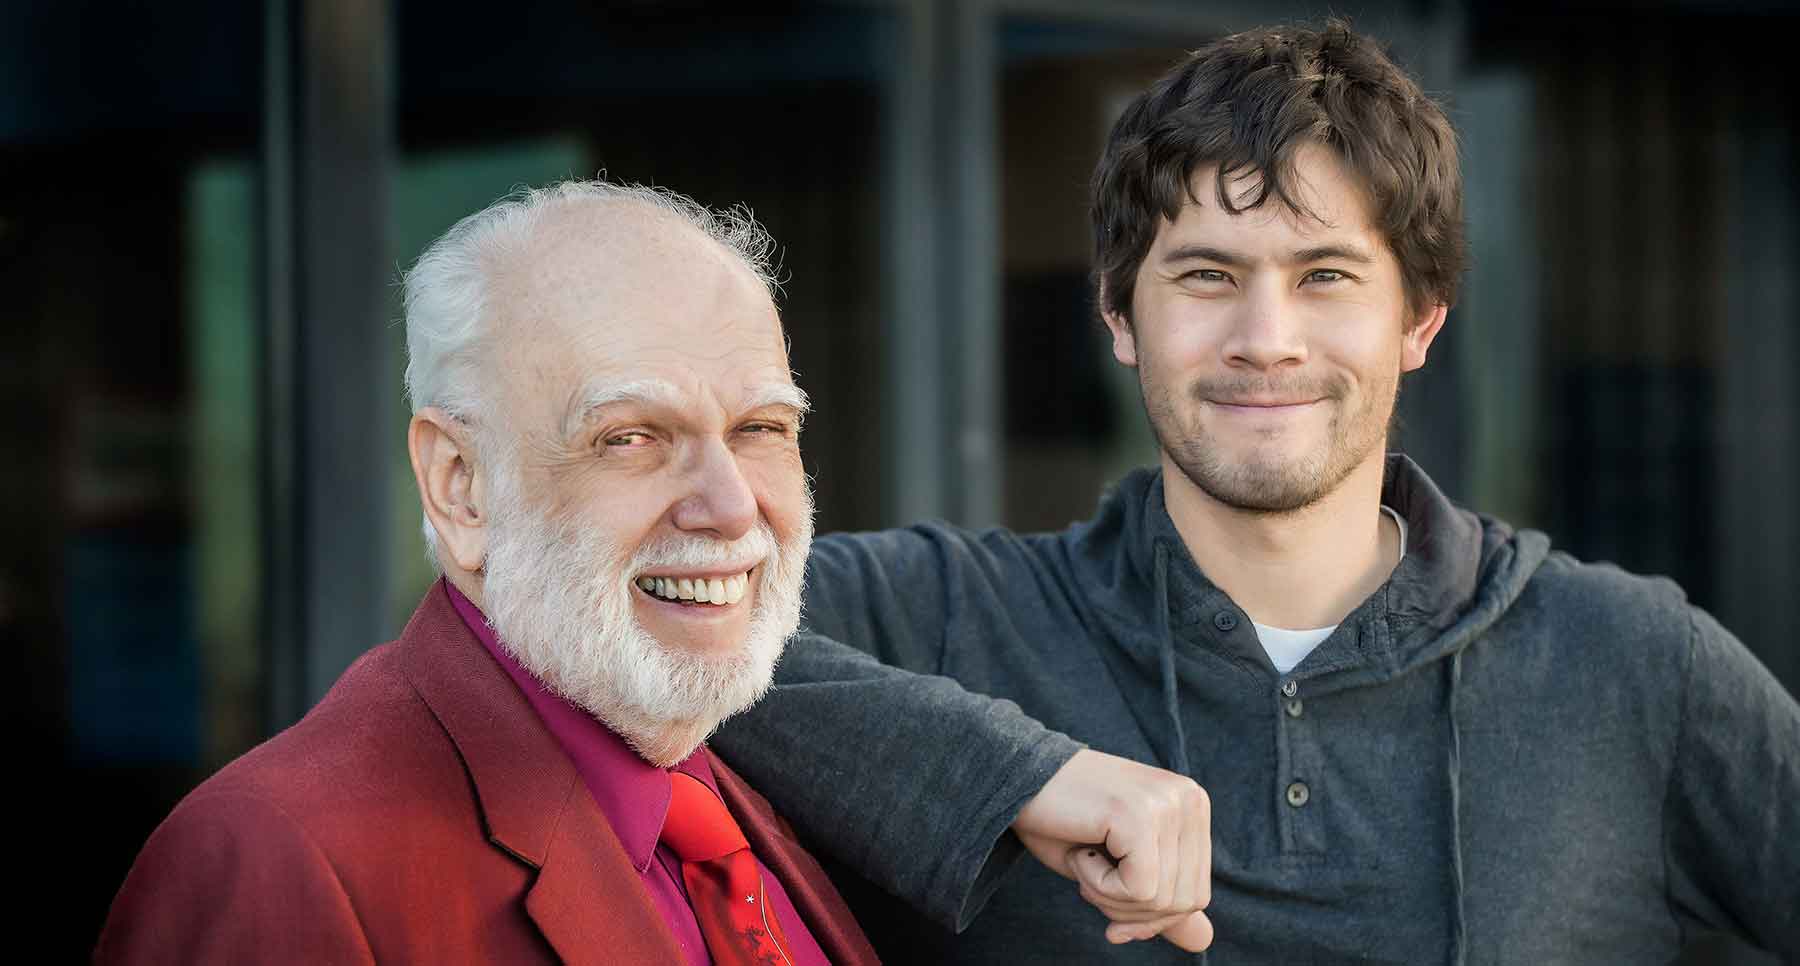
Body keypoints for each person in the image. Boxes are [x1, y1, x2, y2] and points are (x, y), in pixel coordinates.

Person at [711, 21, 1800, 965]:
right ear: (1121, 316)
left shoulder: (1637, 668)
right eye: (1207, 276)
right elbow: (609, 631)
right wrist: (1023, 776)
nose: (1265, 341)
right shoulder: (939, 618)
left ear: (1419, 319)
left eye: (1325, 276)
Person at [96, 182, 872, 964]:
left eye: (761, 428)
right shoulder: (271, 861)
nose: (733, 507)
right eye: (631, 438)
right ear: (461, 484)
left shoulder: (758, 799)